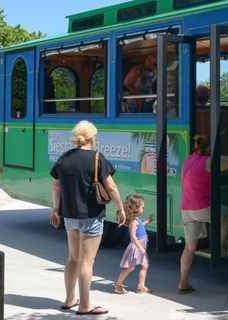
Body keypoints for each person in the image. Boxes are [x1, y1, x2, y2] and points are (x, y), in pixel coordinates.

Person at [50, 120, 126, 316]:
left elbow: (56, 186)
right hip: (91, 216)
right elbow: (111, 187)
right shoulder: (96, 159)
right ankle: (85, 305)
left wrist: (55, 210)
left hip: (69, 216)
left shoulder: (64, 159)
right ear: (93, 138)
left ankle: (69, 300)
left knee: (73, 259)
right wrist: (120, 208)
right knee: (86, 262)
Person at [178, 135, 228, 294]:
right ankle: (218, 248)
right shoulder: (209, 162)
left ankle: (183, 283)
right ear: (209, 148)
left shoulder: (188, 160)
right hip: (202, 208)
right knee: (225, 218)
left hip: (186, 209)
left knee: (189, 248)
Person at [113, 194, 152, 294]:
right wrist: (140, 248)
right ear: (136, 208)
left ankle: (141, 286)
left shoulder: (137, 219)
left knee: (145, 265)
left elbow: (140, 226)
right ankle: (118, 285)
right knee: (130, 267)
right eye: (142, 207)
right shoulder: (133, 222)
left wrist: (146, 222)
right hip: (136, 247)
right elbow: (133, 237)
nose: (144, 208)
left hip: (140, 245)